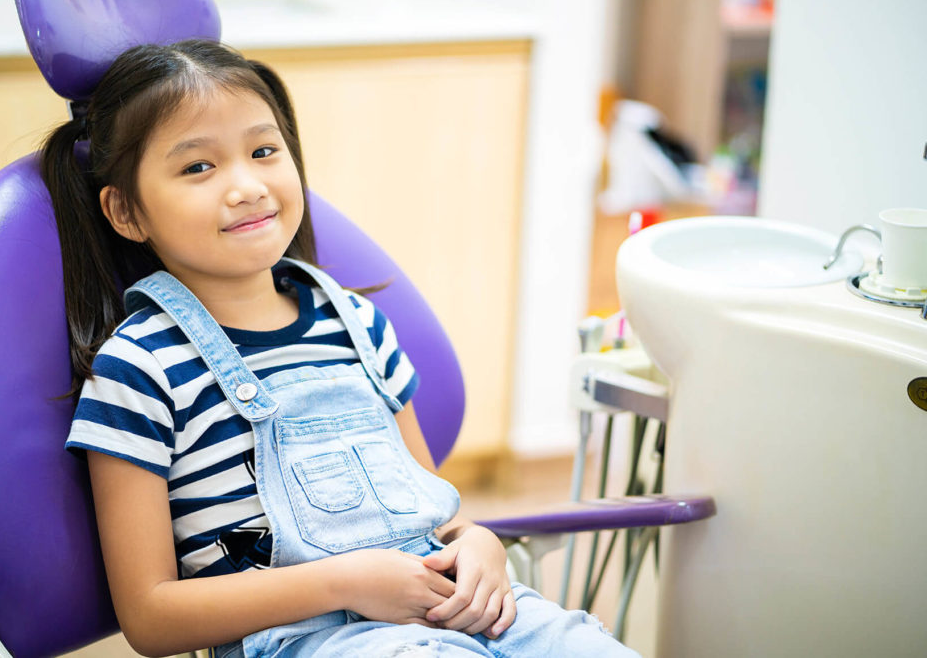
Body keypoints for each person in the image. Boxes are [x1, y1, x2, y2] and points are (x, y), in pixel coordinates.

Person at [41, 38, 638, 658]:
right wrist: (343, 583)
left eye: (264, 151)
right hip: (302, 640)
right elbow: (151, 617)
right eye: (198, 167)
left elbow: (429, 512)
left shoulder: (359, 325)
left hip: (443, 603)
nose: (247, 186)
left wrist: (478, 541)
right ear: (126, 212)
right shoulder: (137, 369)